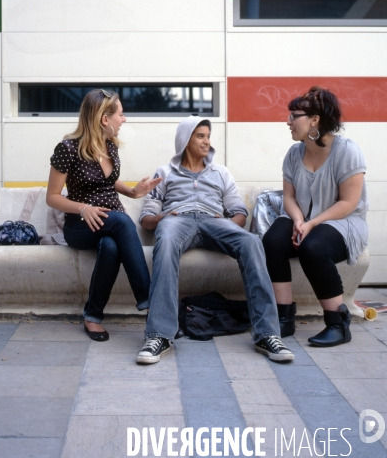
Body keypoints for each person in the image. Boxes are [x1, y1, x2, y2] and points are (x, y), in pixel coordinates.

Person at [136, 116, 294, 364]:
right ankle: (159, 335)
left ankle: (267, 334)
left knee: (252, 242)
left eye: (208, 136)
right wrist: (163, 216)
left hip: (215, 221)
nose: (206, 141)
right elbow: (146, 218)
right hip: (177, 220)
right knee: (165, 244)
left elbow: (238, 211)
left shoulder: (221, 172)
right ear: (185, 140)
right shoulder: (164, 172)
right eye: (200, 136)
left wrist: (227, 228)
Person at [46, 89, 161, 342]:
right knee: (121, 222)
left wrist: (133, 192)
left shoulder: (110, 145)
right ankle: (151, 305)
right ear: (104, 119)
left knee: (110, 247)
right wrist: (83, 208)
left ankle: (92, 316)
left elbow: (108, 182)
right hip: (80, 225)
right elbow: (52, 197)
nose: (124, 119)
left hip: (110, 224)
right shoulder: (68, 148)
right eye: (121, 114)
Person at [262, 86, 368, 347]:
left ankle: (338, 323)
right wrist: (298, 219)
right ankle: (284, 317)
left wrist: (310, 224)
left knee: (313, 246)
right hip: (307, 218)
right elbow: (289, 197)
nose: (288, 122)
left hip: (344, 223)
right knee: (274, 239)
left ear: (314, 120)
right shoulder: (294, 154)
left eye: (293, 116)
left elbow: (348, 202)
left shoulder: (347, 152)